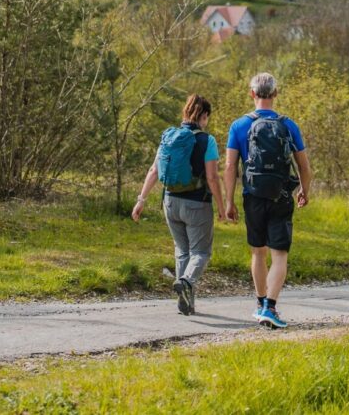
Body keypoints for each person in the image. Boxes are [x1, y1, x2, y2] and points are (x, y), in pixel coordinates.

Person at [223, 72, 312, 329]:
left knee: (258, 251)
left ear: (252, 94)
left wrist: (229, 201)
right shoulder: (288, 125)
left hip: (252, 196)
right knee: (280, 254)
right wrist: (304, 190)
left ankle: (261, 303)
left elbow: (230, 166)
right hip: (281, 196)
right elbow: (304, 166)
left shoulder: (239, 126)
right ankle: (269, 308)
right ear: (275, 94)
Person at [132, 94, 226, 316]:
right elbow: (212, 178)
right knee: (201, 252)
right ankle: (185, 281)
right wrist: (222, 207)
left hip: (170, 202)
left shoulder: (169, 136)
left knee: (183, 251)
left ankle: (186, 303)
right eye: (207, 118)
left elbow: (154, 170)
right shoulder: (207, 140)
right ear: (204, 116)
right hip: (196, 205)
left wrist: (141, 200)